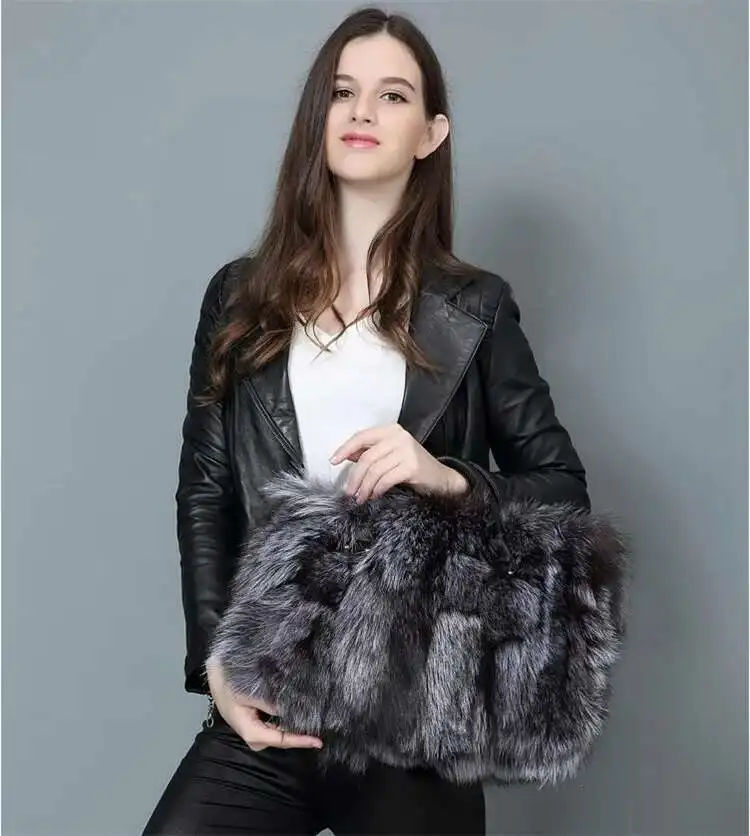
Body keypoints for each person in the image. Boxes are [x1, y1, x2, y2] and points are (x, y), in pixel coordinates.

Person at [141, 6, 590, 834]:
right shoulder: (239, 296)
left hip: (412, 714)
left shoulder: (474, 309)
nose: (362, 111)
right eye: (343, 92)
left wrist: (444, 476)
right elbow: (205, 492)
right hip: (275, 693)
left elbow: (563, 490)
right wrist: (215, 665)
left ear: (430, 134)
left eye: (393, 95)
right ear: (318, 117)